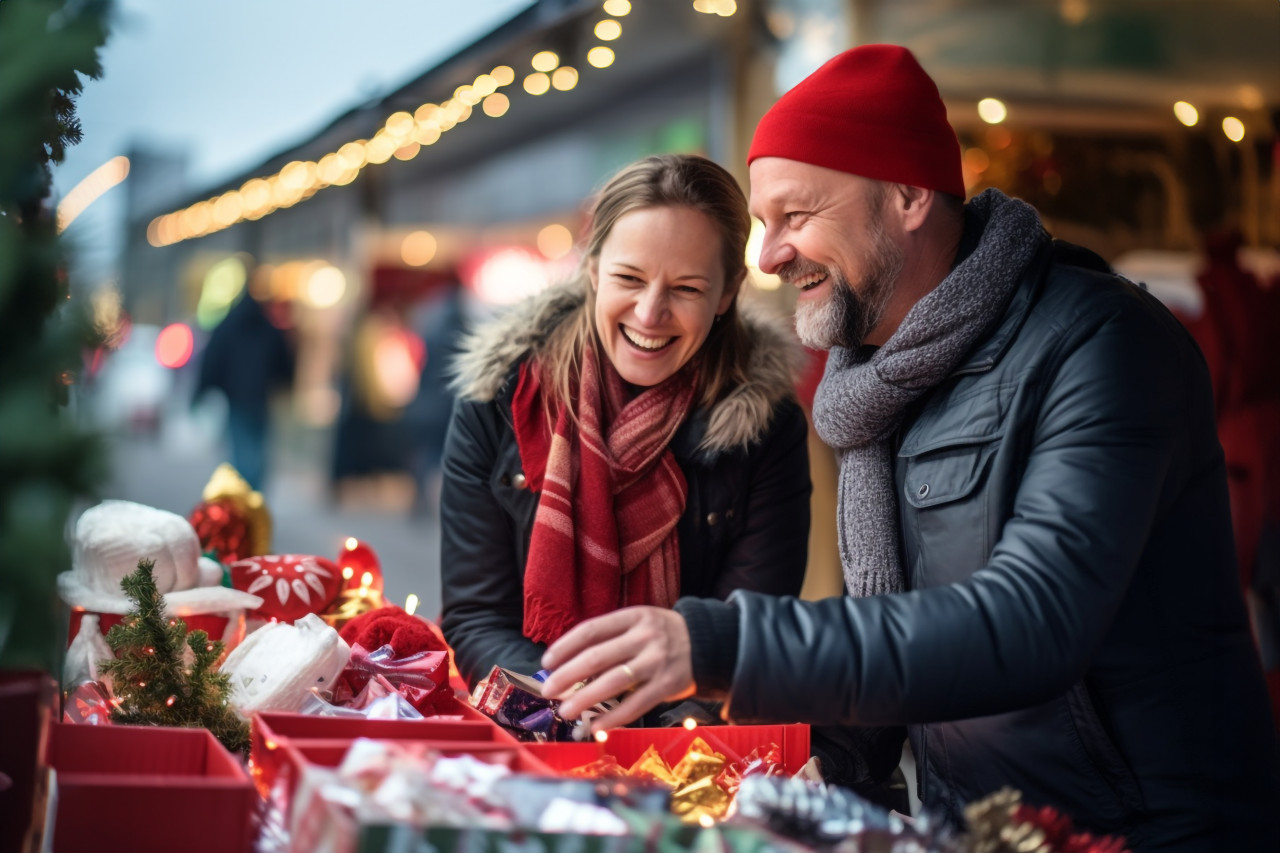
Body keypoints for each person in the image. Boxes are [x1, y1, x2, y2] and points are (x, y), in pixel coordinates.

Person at [540, 46, 1280, 849]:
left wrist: (727, 644)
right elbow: (898, 624)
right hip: (985, 827)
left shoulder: (1104, 343)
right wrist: (826, 762)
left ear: (906, 195)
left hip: (1148, 833)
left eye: (796, 216)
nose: (768, 255)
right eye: (763, 223)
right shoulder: (879, 378)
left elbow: (1032, 618)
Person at [439, 154, 811, 691]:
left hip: (688, 743)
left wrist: (647, 733)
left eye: (686, 288)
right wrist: (567, 712)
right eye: (629, 278)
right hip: (537, 717)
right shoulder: (497, 400)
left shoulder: (766, 428)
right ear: (592, 269)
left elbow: (746, 634)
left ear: (727, 292)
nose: (650, 313)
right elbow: (477, 619)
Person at [193, 291, 294, 490]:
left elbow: (212, 361)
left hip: (236, 398)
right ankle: (253, 495)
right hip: (260, 398)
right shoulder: (268, 329)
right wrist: (282, 384)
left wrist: (202, 390)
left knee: (240, 448)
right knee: (257, 449)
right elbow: (284, 362)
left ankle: (243, 496)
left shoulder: (227, 327)